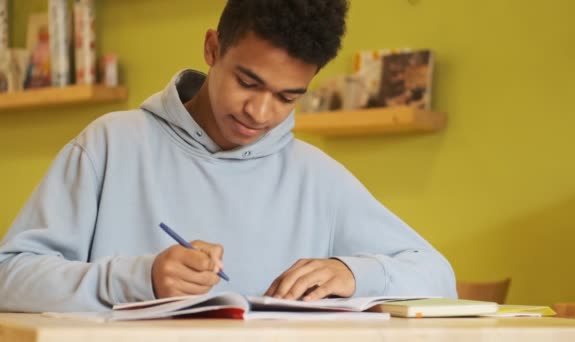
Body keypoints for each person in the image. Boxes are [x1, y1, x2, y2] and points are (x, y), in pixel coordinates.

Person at [0, 0, 456, 313]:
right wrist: (141, 280)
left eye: (287, 97)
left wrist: (352, 273)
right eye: (248, 82)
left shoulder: (319, 179)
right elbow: (9, 278)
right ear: (213, 48)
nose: (260, 112)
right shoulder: (110, 145)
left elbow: (439, 277)